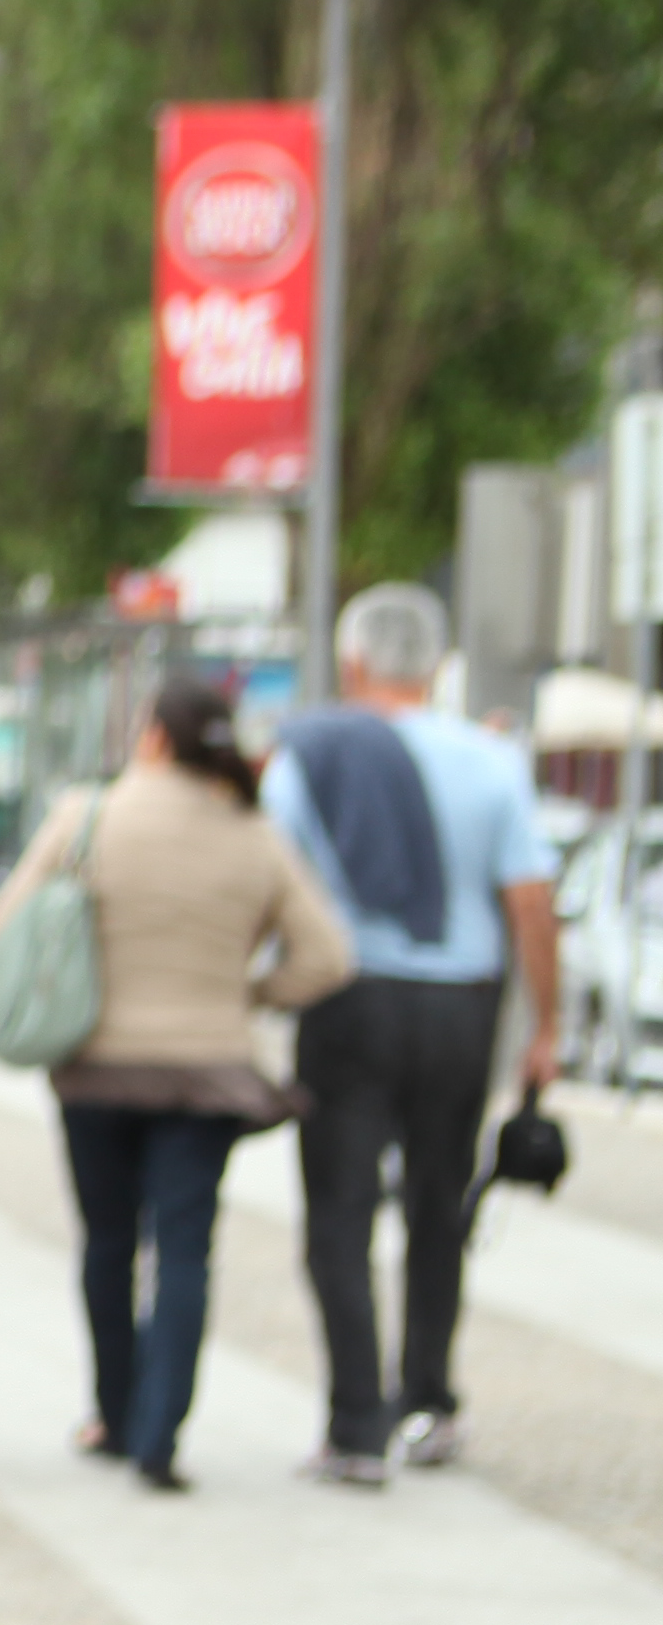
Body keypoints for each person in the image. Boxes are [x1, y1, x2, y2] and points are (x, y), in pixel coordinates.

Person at [0, 675, 351, 1491]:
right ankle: (162, 1437)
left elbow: (4, 925)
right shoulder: (255, 836)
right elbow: (328, 958)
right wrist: (247, 994)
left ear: (153, 737)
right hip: (207, 1075)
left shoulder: (85, 817)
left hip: (96, 1066)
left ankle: (114, 1415)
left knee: (107, 1246)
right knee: (185, 1251)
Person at [264, 580, 564, 1480]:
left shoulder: (309, 758)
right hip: (460, 1010)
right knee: (440, 1205)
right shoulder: (493, 760)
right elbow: (531, 904)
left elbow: (275, 883)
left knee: (340, 1212)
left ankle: (355, 1425)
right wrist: (544, 1026)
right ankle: (428, 1400)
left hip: (348, 1000)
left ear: (352, 661)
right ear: (438, 667)